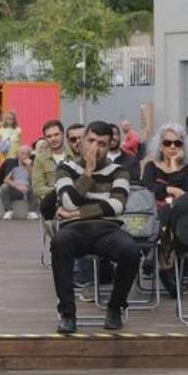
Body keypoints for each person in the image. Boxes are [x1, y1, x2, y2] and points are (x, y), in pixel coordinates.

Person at [43, 120, 138, 333]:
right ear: (83, 141)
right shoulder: (66, 168)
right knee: (60, 243)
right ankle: (67, 313)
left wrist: (80, 211)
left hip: (107, 229)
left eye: (102, 143)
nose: (95, 147)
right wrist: (87, 173)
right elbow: (67, 202)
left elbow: (116, 206)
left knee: (131, 251)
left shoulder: (119, 171)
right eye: (91, 141)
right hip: (74, 229)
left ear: (109, 146)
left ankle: (115, 308)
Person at [141, 124, 188, 295]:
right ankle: (167, 268)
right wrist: (170, 190)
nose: (172, 147)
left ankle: (156, 256)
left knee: (171, 209)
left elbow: (184, 194)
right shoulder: (151, 166)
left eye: (177, 143)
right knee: (166, 210)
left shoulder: (185, 169)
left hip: (178, 215)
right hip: (154, 212)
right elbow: (148, 188)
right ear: (160, 146)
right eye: (168, 143)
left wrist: (173, 164)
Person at [31, 120, 69, 204]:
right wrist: (59, 190)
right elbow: (38, 188)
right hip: (52, 205)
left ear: (63, 134)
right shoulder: (40, 160)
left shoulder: (74, 155)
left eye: (56, 135)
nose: (53, 139)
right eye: (49, 136)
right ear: (45, 138)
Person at [0, 144, 38, 220]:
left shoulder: (33, 166)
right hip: (16, 188)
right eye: (22, 154)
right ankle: (9, 210)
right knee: (4, 187)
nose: (25, 156)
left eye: (27, 154)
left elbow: (35, 179)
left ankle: (32, 212)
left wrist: (29, 167)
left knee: (36, 188)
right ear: (18, 154)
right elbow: (6, 180)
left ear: (30, 155)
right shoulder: (14, 167)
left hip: (27, 188)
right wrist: (17, 186)